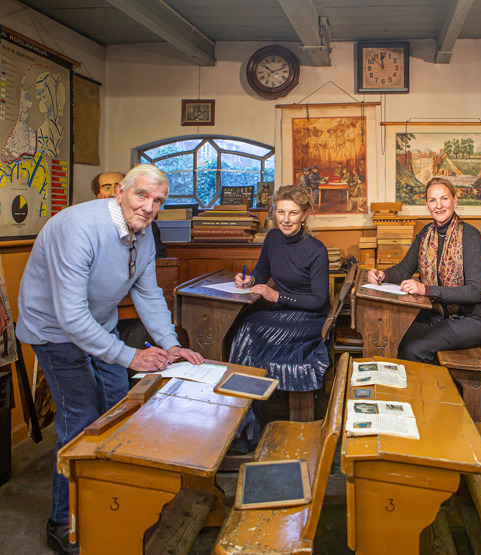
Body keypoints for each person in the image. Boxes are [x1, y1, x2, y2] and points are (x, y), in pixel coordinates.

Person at [16, 164, 203, 555]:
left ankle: (107, 499)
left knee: (120, 406)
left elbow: (148, 293)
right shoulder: (79, 228)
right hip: (54, 331)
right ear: (119, 192)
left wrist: (169, 344)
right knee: (81, 418)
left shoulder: (145, 231)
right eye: (142, 195)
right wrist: (131, 355)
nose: (150, 207)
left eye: (158, 201)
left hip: (98, 325)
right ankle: (63, 521)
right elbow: (70, 317)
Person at [228, 185, 330, 419]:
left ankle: (248, 416)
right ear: (274, 212)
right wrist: (249, 279)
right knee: (244, 326)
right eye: (280, 212)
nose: (285, 219)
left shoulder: (316, 250)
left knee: (248, 330)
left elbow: (319, 301)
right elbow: (262, 272)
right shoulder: (273, 238)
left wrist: (277, 296)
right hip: (283, 313)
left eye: (293, 213)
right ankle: (247, 415)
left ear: (304, 215)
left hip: (311, 319)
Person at [368, 177, 481, 363]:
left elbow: (474, 292)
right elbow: (404, 268)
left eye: (444, 199)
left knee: (413, 349)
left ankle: (439, 389)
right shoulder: (426, 234)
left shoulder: (470, 236)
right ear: (426, 204)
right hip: (437, 313)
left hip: (469, 320)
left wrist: (426, 290)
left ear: (455, 200)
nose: (439, 206)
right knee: (395, 336)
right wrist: (383, 275)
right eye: (433, 200)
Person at [91, 171, 166, 258]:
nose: (113, 193)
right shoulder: (90, 225)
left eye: (118, 187)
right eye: (107, 188)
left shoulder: (147, 224)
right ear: (98, 195)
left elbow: (158, 260)